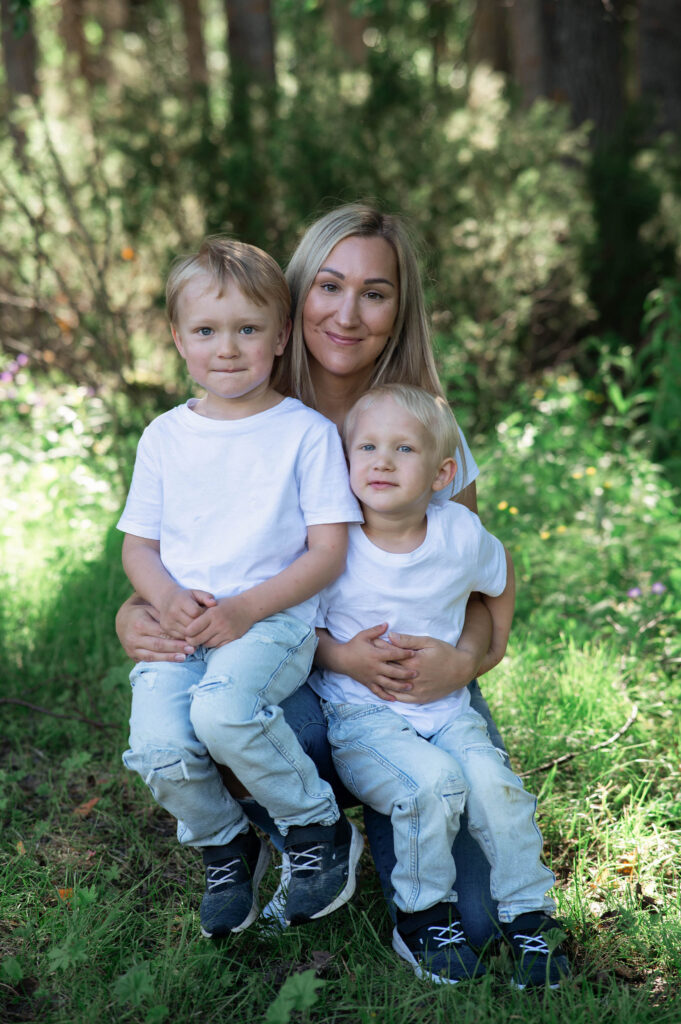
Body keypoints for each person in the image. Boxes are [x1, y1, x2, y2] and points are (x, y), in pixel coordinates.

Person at [115, 205, 516, 953]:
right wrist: (133, 613)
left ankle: (397, 839)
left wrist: (465, 660)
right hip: (290, 658)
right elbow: (184, 552)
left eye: (375, 292)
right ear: (295, 300)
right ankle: (298, 837)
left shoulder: (421, 426)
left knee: (480, 917)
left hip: (406, 684)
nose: (348, 313)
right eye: (329, 286)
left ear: (400, 310)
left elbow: (472, 572)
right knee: (250, 715)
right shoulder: (245, 413)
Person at [117, 236, 364, 938]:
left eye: (248, 330)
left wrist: (247, 607)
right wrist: (164, 600)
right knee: (159, 747)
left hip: (272, 621)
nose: (226, 349)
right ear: (177, 338)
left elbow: (328, 552)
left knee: (224, 714)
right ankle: (226, 842)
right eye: (206, 331)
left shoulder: (305, 434)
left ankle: (316, 830)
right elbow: (140, 547)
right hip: (184, 624)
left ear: (281, 336)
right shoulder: (163, 437)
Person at [313, 383, 567, 988]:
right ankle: (425, 915)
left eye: (403, 449)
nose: (381, 460)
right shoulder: (334, 542)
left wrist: (485, 650)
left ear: (441, 473)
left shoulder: (457, 532)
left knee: (495, 786)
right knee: (433, 783)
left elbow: (499, 576)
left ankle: (531, 916)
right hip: (362, 719)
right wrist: (344, 658)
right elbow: (299, 628)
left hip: (449, 710)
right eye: (367, 447)